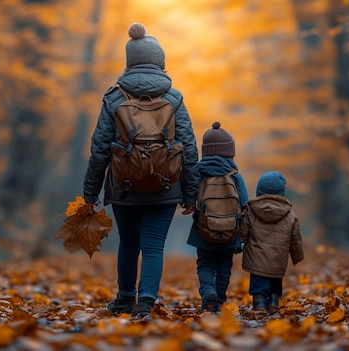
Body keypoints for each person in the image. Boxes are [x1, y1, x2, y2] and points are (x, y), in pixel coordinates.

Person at [83, 22, 199, 320]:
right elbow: (188, 146)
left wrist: (90, 193)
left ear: (129, 62)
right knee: (153, 246)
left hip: (123, 185)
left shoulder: (114, 98)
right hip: (166, 186)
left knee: (129, 244)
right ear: (160, 61)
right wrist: (191, 192)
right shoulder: (174, 98)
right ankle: (146, 301)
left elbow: (99, 149)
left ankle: (124, 299)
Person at [186, 122, 249, 312]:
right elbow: (245, 203)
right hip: (230, 228)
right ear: (230, 152)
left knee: (205, 263)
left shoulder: (197, 172)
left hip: (204, 227)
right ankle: (220, 299)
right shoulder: (235, 175)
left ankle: (208, 291)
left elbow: (189, 199)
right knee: (224, 266)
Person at [240, 171, 304, 311]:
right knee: (275, 280)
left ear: (259, 191)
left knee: (258, 281)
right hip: (277, 258)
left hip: (256, 258)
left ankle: (259, 302)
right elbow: (295, 238)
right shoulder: (290, 215)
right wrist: (297, 255)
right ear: (282, 193)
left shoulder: (250, 211)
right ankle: (274, 301)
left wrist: (239, 242)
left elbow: (243, 231)